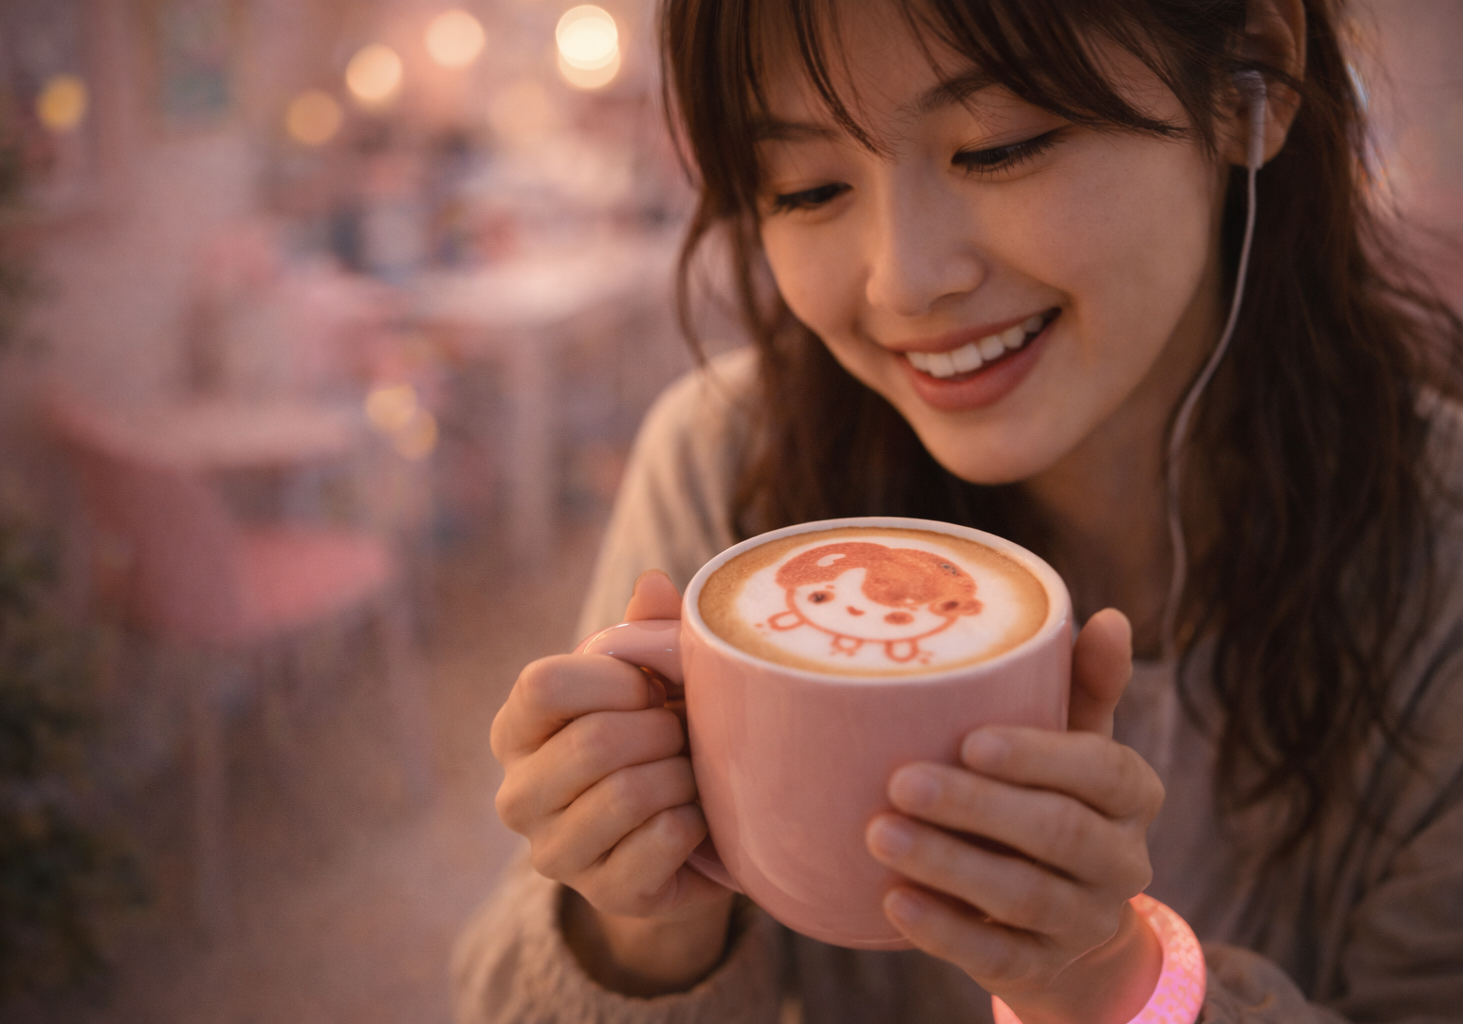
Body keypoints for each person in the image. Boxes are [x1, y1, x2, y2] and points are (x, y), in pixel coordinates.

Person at [453, 0, 1463, 1020]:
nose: (905, 280)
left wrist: (1114, 988)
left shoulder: (1442, 559)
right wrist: (643, 922)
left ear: (1253, 77)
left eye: (998, 147)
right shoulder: (727, 468)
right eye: (807, 189)